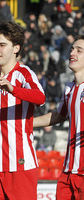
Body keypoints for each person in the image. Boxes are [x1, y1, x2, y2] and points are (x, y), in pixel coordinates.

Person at [0, 20, 45, 200]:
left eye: (2, 45)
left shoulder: (23, 73)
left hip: (21, 164)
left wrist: (13, 89)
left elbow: (40, 97)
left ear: (16, 48)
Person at [33, 35, 84, 200]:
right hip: (67, 173)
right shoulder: (69, 88)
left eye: (79, 50)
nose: (72, 53)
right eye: (72, 49)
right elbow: (58, 116)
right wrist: (26, 124)